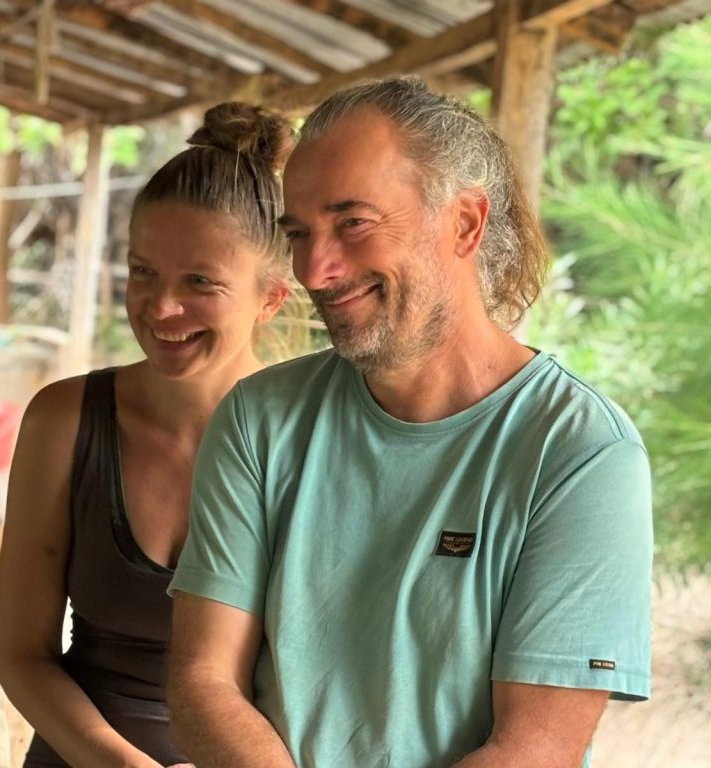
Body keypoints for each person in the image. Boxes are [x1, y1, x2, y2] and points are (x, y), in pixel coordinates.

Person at [167, 77, 652, 768]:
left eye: (353, 223)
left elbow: (533, 749)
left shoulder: (580, 452)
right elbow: (202, 682)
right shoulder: (258, 418)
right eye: (298, 234)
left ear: (464, 224)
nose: (315, 269)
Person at [0, 102, 293, 768]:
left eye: (200, 282)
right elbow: (21, 655)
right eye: (142, 271)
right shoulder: (66, 421)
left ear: (270, 298)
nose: (161, 307)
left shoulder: (311, 441)